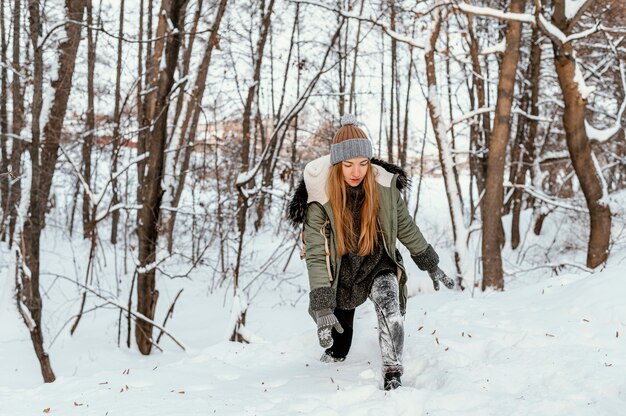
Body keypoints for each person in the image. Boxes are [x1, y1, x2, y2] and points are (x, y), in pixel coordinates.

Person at [287, 113, 454, 390]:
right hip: (342, 275)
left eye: (363, 163)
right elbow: (316, 254)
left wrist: (430, 263)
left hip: (378, 264)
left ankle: (392, 372)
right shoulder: (320, 199)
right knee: (339, 349)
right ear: (337, 164)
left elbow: (405, 227)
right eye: (349, 164)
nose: (356, 171)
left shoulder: (385, 189)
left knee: (391, 309)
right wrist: (322, 304)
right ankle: (326, 365)